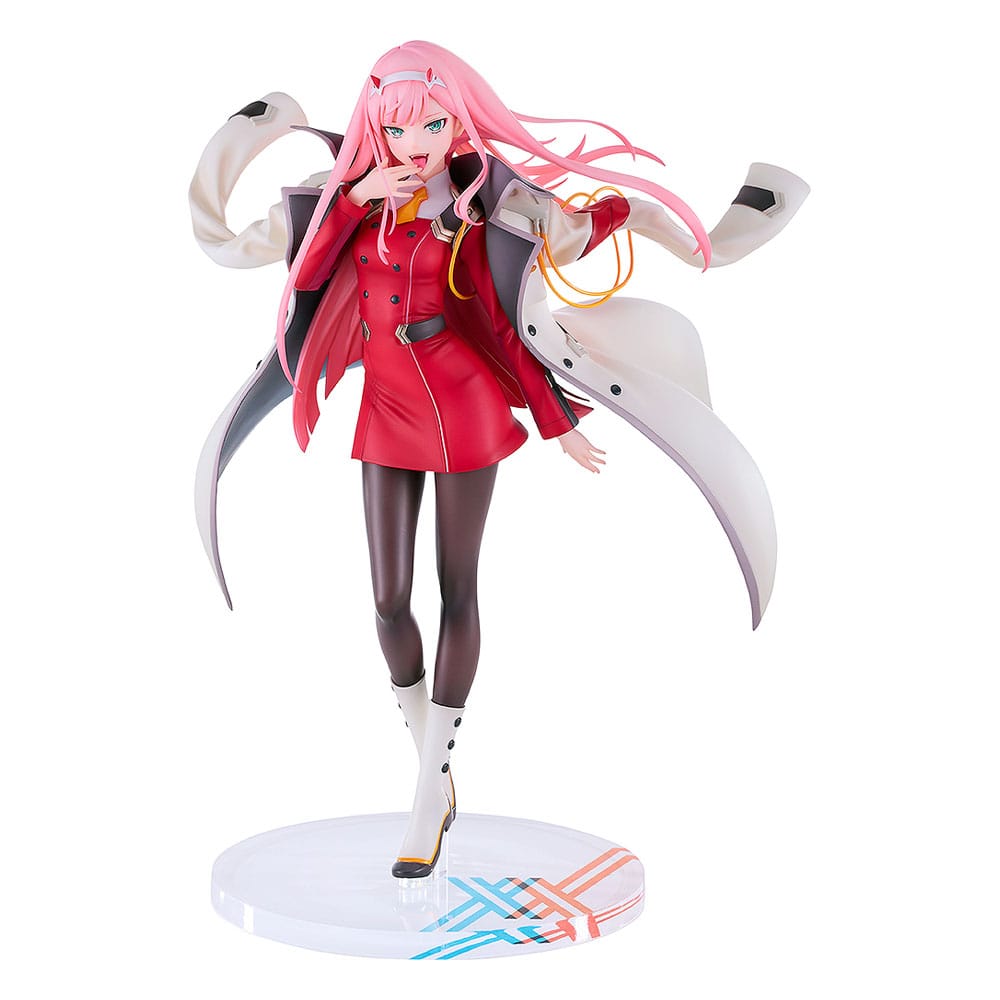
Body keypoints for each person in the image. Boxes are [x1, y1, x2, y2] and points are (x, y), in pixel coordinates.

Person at [190, 39, 809, 878]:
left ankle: (427, 794)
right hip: (386, 406)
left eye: (433, 126)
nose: (416, 144)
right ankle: (433, 767)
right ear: (375, 124)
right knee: (386, 600)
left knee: (457, 588)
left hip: (463, 404)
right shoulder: (342, 198)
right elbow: (291, 267)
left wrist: (556, 423)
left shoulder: (484, 205)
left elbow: (508, 320)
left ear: (458, 123)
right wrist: (353, 196)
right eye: (398, 128)